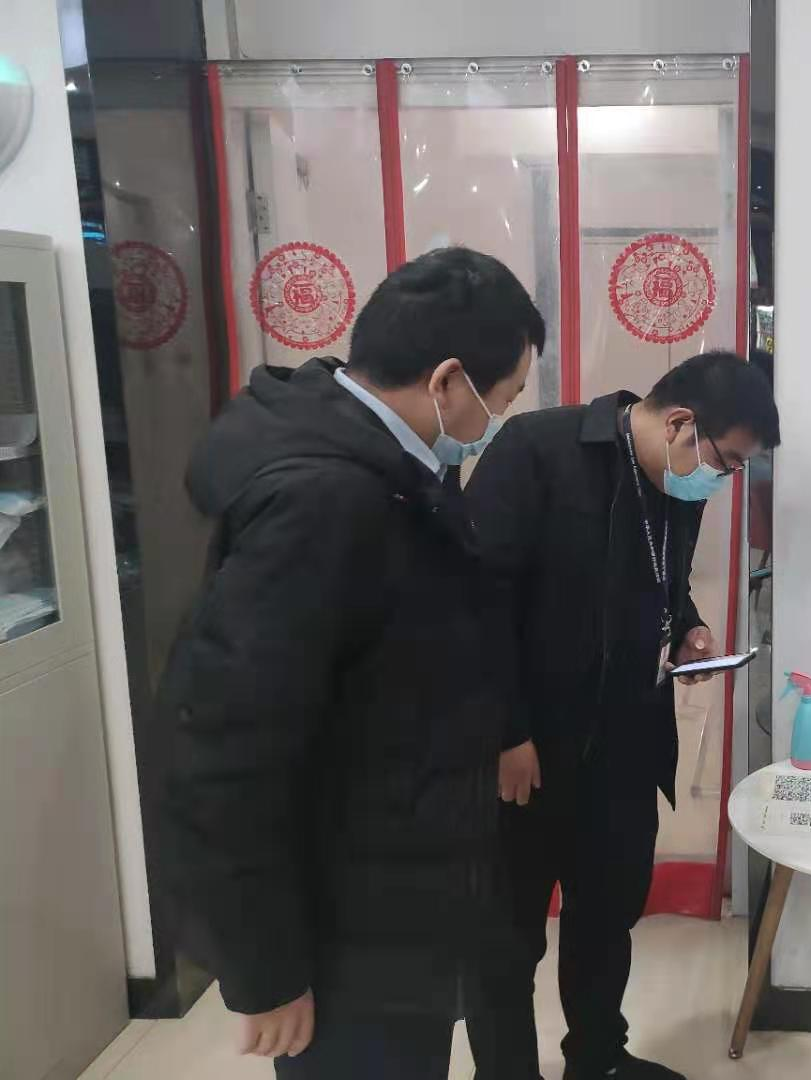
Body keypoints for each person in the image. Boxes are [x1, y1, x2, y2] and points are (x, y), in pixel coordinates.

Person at [159, 247, 542, 1078]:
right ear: (447, 382)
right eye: (505, 397)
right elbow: (225, 747)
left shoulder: (397, 472)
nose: (501, 419)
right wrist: (265, 970)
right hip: (345, 935)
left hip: (398, 902)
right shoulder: (329, 500)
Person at [465, 351, 781, 1080]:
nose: (723, 480)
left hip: (625, 748)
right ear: (680, 424)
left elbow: (662, 579)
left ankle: (599, 1060)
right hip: (530, 751)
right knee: (506, 939)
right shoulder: (538, 451)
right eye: (726, 462)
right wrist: (505, 732)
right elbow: (477, 601)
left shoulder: (678, 480)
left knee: (606, 922)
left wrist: (688, 625)